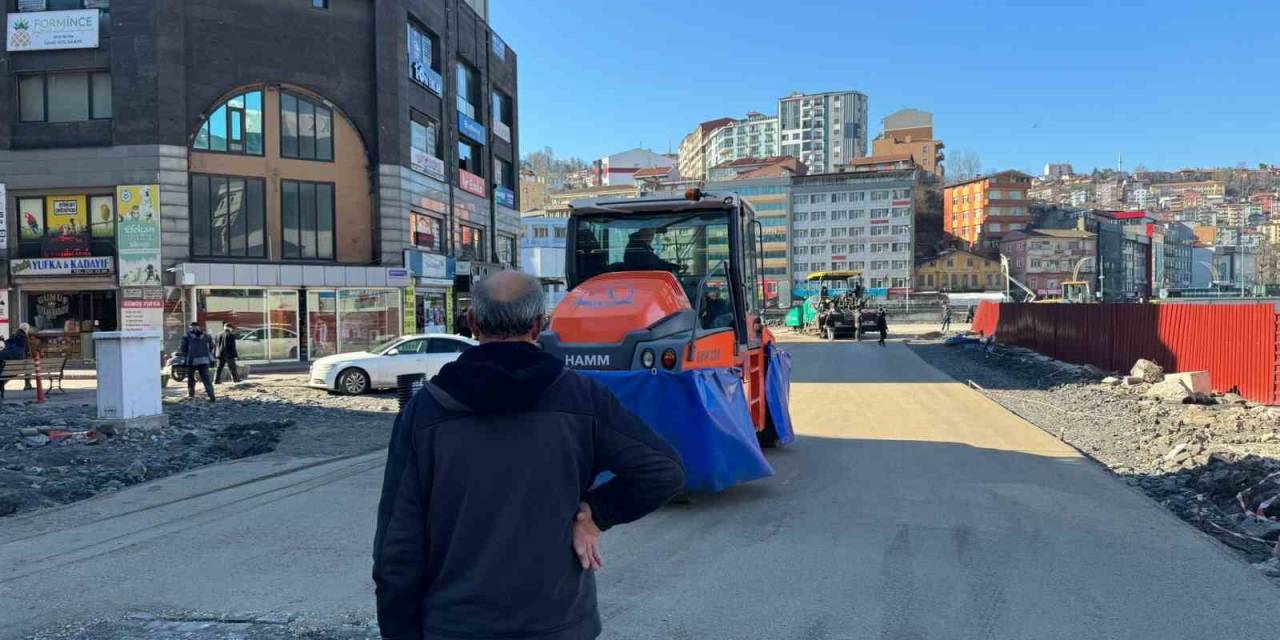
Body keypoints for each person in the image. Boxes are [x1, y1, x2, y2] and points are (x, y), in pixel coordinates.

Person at [373, 271, 685, 640]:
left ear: (472, 323)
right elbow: (663, 471)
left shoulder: (425, 411)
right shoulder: (582, 398)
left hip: (456, 626)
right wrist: (597, 513)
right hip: (559, 626)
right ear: (540, 326)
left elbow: (397, 548)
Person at [180, 322, 216, 401]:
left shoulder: (187, 336)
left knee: (191, 378)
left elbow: (183, 348)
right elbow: (211, 347)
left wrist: (185, 357)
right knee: (206, 378)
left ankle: (191, 394)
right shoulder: (206, 336)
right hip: (204, 360)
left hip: (192, 360)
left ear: (191, 327)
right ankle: (211, 395)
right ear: (199, 327)